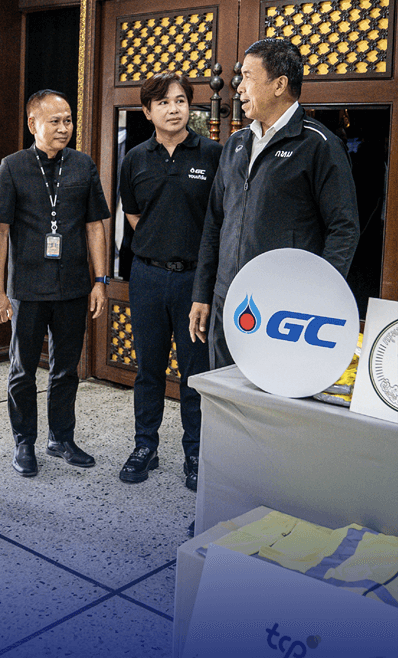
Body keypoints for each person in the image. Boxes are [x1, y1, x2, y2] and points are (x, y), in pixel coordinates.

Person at [189, 39, 359, 368]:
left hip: (284, 306)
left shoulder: (319, 145)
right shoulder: (236, 144)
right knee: (223, 389)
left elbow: (344, 228)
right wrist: (202, 292)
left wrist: (321, 296)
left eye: (248, 77)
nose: (239, 87)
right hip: (228, 298)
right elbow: (215, 223)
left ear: (280, 84)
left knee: (273, 392)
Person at [0, 90, 110, 477]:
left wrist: (100, 281)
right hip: (27, 288)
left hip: (73, 286)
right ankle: (24, 442)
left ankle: (61, 438)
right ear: (33, 124)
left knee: (66, 369)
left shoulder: (83, 165)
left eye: (68, 120)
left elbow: (94, 226)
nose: (64, 128)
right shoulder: (12, 167)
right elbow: (0, 232)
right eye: (54, 121)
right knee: (22, 370)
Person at [117, 73, 222, 492]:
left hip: (195, 280)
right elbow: (133, 214)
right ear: (147, 112)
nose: (173, 109)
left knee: (195, 372)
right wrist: (158, 244)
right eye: (163, 102)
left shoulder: (212, 154)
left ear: (189, 106)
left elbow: (220, 217)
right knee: (148, 369)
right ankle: (145, 445)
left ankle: (195, 452)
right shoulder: (135, 158)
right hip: (147, 276)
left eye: (180, 100)